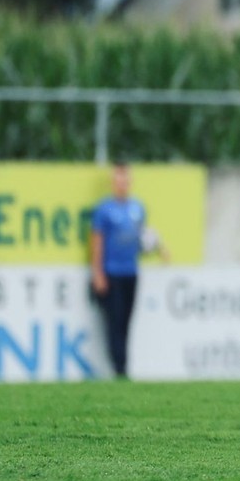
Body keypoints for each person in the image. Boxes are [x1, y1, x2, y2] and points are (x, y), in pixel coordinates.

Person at [91, 162, 169, 379]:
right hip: (111, 273)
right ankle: (120, 370)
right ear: (113, 182)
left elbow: (143, 237)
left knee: (126, 321)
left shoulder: (137, 208)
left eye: (125, 179)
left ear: (130, 182)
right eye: (118, 179)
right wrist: (98, 273)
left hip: (131, 272)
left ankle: (123, 367)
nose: (122, 183)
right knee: (114, 322)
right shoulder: (104, 210)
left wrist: (160, 249)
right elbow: (97, 242)